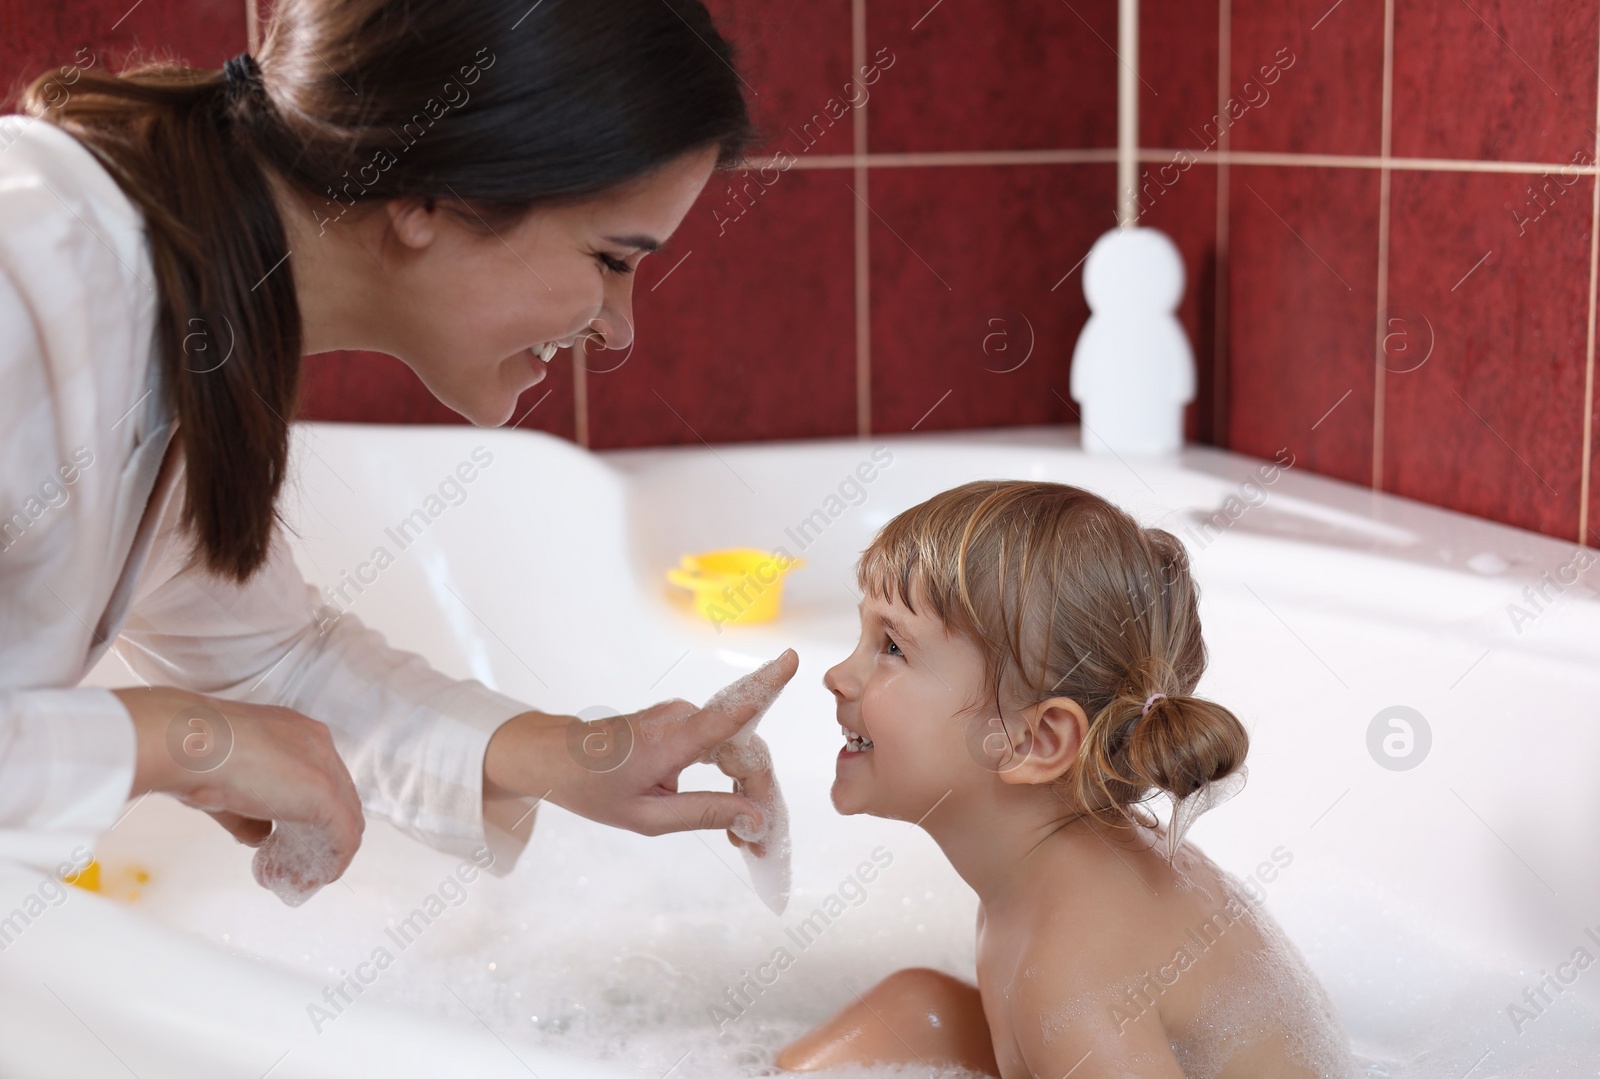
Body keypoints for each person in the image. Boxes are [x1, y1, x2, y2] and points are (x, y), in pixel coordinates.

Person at [0, 0, 793, 902]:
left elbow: (274, 663)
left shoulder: (196, 319)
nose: (619, 330)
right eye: (612, 258)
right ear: (430, 196)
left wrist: (572, 756)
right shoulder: (28, 270)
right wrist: (173, 738)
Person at [777, 481, 1357, 1077]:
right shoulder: (1047, 887)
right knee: (912, 1010)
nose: (838, 676)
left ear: (1035, 741)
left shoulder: (1071, 966)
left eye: (892, 646)